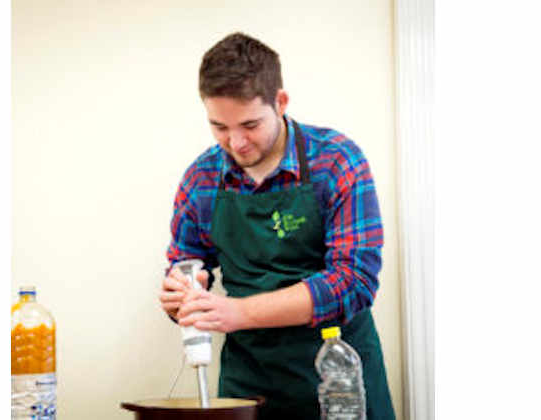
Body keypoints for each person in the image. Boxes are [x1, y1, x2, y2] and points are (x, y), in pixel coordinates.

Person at [159, 32, 395, 420]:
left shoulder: (336, 161)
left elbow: (354, 282)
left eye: (250, 124)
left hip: (341, 381)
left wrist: (239, 313)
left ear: (280, 102)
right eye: (219, 126)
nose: (236, 143)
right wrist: (181, 296)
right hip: (248, 387)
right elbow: (185, 263)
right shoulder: (201, 179)